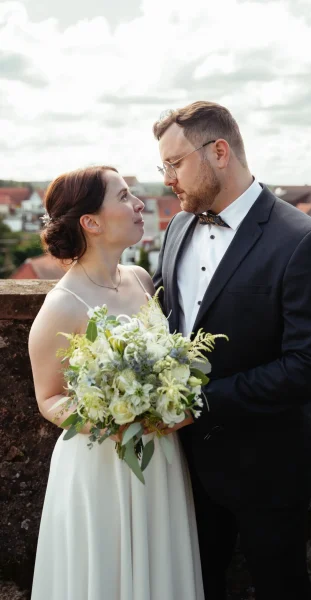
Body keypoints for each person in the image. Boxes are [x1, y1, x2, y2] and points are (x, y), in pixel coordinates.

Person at [152, 101, 311, 600]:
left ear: (218, 152)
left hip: (269, 470)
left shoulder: (303, 240)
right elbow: (162, 320)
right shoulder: (176, 228)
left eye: (174, 163)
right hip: (183, 470)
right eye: (163, 166)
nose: (167, 178)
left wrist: (200, 403)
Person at [28, 165, 204, 600]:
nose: (139, 203)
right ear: (91, 222)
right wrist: (114, 420)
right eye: (124, 196)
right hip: (102, 466)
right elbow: (49, 398)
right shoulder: (62, 306)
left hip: (159, 458)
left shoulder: (142, 280)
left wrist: (168, 404)